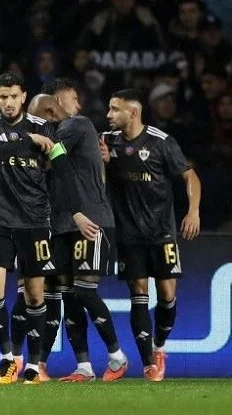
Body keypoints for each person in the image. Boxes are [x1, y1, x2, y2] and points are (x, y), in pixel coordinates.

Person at [28, 80, 128, 383]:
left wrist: (24, 139)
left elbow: (48, 156)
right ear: (57, 102)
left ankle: (117, 356)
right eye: (74, 98)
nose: (79, 105)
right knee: (69, 295)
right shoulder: (63, 127)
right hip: (62, 223)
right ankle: (84, 367)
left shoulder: (77, 124)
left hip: (91, 219)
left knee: (84, 290)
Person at [101, 88, 201, 381]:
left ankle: (159, 347)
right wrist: (101, 163)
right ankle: (148, 364)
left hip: (162, 232)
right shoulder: (106, 142)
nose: (109, 114)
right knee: (139, 293)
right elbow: (93, 180)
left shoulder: (161, 142)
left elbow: (190, 175)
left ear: (132, 112)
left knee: (168, 296)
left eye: (115, 109)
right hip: (129, 234)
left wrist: (193, 211)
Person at [0, 71, 55, 385]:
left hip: (35, 221)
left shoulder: (43, 125)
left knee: (35, 295)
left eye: (13, 96)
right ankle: (7, 359)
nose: (8, 102)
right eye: (3, 97)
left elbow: (59, 160)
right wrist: (29, 141)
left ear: (23, 97)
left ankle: (34, 365)